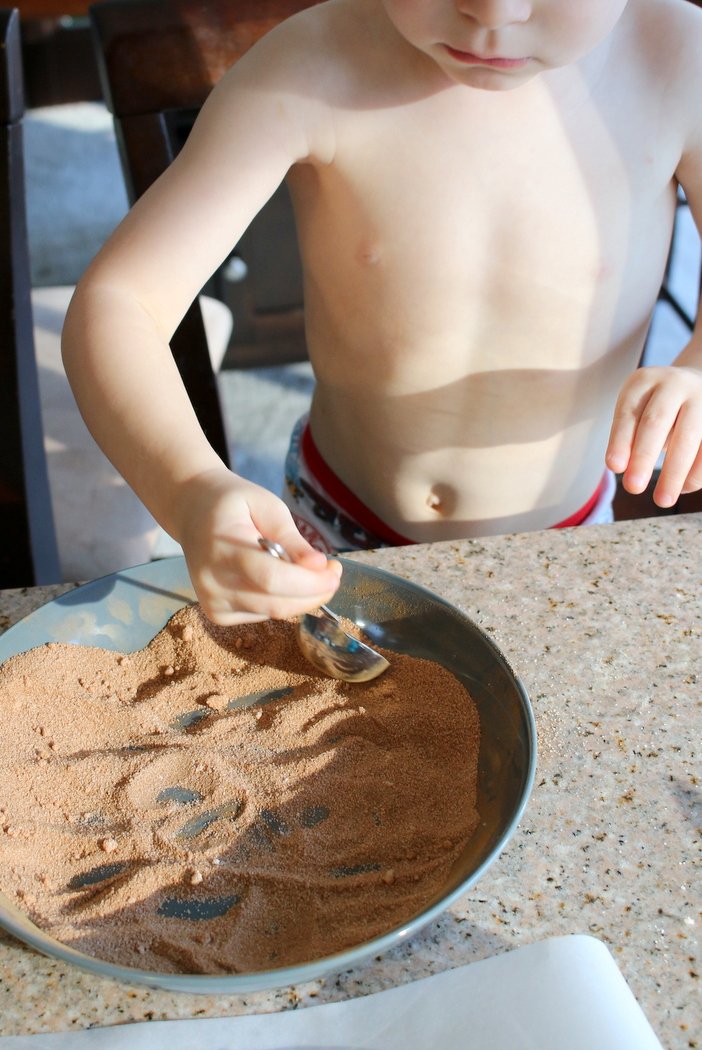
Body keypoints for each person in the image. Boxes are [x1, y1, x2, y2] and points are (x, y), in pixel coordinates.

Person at [62, 0, 702, 625]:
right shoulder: (314, 63)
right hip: (329, 540)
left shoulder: (676, 58)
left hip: (562, 543)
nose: (493, 12)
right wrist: (189, 489)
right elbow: (119, 304)